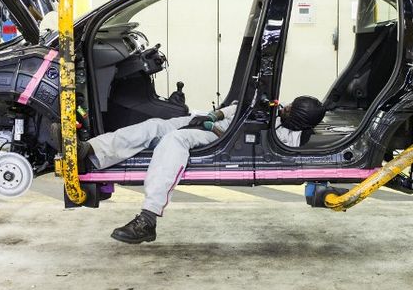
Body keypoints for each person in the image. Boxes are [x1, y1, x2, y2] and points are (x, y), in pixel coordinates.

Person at [58, 96, 326, 244]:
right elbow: (240, 108)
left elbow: (254, 140)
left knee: (174, 140)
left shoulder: (289, 138)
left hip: (225, 140)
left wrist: (213, 128)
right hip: (215, 125)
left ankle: (147, 219)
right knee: (154, 126)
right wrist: (213, 116)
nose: (285, 108)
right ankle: (90, 151)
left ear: (298, 121)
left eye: (291, 110)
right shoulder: (277, 111)